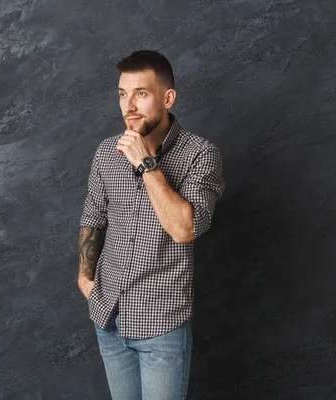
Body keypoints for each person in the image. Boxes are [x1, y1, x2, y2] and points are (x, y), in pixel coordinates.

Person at [76, 50, 226, 399]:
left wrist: (147, 164)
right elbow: (93, 216)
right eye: (122, 94)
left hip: (161, 328)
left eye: (141, 94)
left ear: (167, 98)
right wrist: (85, 279)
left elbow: (184, 229)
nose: (129, 105)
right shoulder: (105, 153)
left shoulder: (201, 154)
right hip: (108, 317)